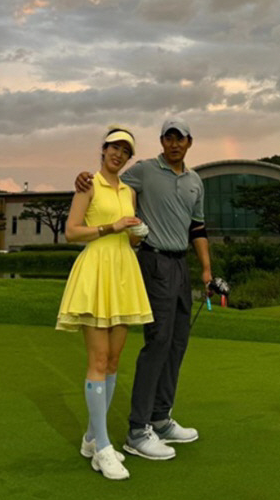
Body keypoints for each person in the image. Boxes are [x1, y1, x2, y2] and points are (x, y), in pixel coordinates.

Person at [75, 117, 212, 461]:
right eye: (169, 138)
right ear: (162, 141)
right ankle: (138, 429)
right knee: (159, 341)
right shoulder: (145, 171)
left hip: (181, 265)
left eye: (180, 138)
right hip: (154, 261)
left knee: (178, 342)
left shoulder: (195, 181)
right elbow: (107, 183)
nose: (174, 144)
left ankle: (161, 417)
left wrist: (206, 270)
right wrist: (82, 178)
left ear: (190, 142)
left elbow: (198, 228)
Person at [57, 127, 153, 480]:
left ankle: (91, 437)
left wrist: (136, 234)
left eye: (125, 151)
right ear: (104, 149)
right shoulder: (88, 184)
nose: (118, 154)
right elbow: (72, 232)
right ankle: (103, 448)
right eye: (114, 147)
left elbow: (128, 237)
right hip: (96, 271)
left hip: (124, 272)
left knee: (113, 361)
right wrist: (111, 227)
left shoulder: (129, 191)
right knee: (98, 360)